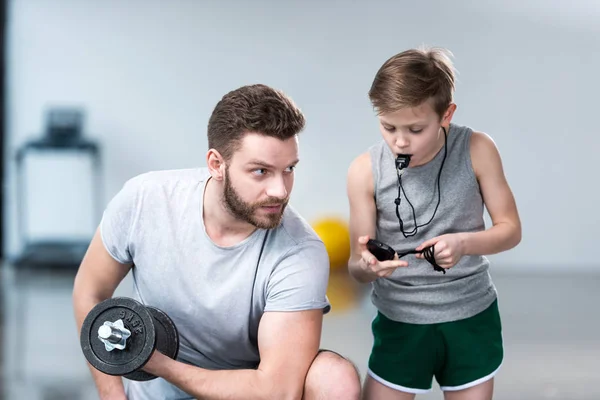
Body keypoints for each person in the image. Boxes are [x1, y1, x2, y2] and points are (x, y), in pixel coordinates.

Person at [73, 84, 362, 400]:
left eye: (289, 169)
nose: (280, 190)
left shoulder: (299, 252)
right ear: (216, 164)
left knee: (335, 378)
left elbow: (278, 390)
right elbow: (90, 291)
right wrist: (113, 395)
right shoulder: (144, 200)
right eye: (261, 171)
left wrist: (158, 363)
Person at [346, 47, 522, 400]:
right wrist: (368, 267)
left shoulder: (477, 148)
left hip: (471, 316)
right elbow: (355, 266)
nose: (399, 141)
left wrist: (464, 244)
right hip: (400, 320)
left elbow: (510, 229)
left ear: (446, 115)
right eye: (387, 126)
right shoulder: (363, 170)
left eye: (415, 129)